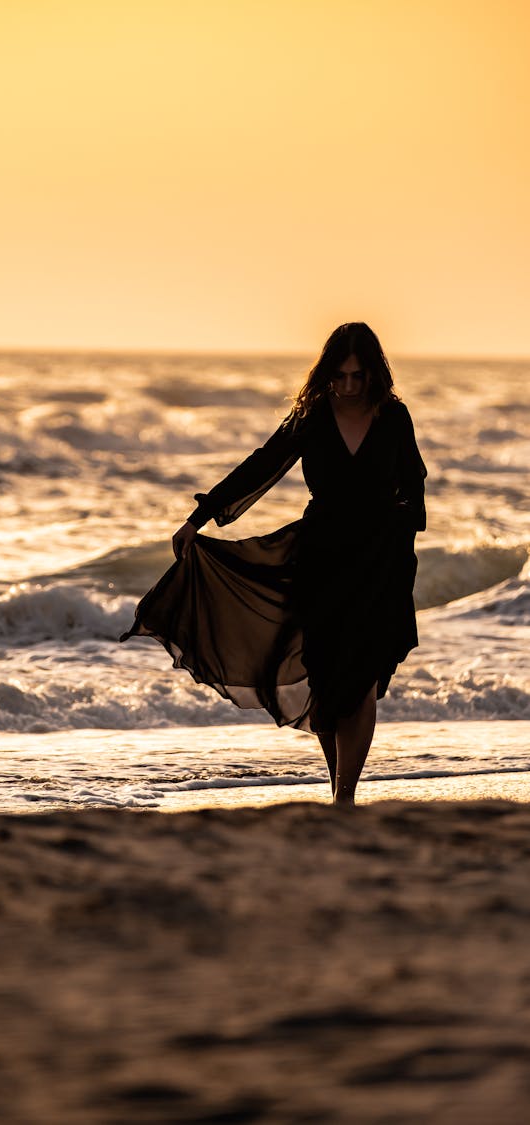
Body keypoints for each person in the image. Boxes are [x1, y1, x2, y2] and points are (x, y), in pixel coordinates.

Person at [120, 323, 426, 806]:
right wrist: (199, 519)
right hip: (321, 560)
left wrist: (399, 530)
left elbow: (414, 486)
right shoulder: (312, 416)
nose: (348, 386)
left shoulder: (394, 417)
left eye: (357, 376)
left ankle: (345, 797)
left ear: (374, 374)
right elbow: (261, 465)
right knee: (327, 682)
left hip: (378, 563)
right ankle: (337, 788)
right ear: (327, 373)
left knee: (362, 678)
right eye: (340, 375)